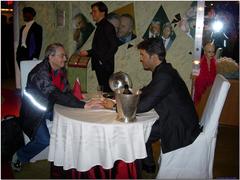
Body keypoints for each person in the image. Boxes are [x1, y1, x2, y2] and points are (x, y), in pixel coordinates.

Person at [102, 38, 202, 173]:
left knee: (138, 133)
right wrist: (121, 96)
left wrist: (115, 106)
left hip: (179, 126)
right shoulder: (164, 70)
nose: (141, 59)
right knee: (143, 131)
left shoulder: (164, 75)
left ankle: (140, 168)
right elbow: (147, 91)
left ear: (154, 57)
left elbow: (144, 106)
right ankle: (148, 166)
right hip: (175, 119)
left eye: (142, 55)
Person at [11, 43, 103, 172]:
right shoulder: (40, 73)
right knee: (44, 140)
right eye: (62, 56)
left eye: (64, 55)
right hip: (34, 113)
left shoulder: (58, 70)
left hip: (49, 107)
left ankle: (74, 156)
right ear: (51, 57)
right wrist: (83, 105)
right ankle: (19, 156)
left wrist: (80, 101)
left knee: (75, 118)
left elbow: (65, 91)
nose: (65, 59)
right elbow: (55, 94)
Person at [79, 1, 118, 93]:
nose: (92, 13)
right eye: (92, 11)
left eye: (94, 11)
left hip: (104, 65)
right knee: (104, 90)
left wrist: (103, 60)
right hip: (100, 64)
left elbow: (114, 46)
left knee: (107, 91)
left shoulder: (107, 26)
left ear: (102, 12)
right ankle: (106, 106)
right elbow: (100, 47)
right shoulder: (101, 26)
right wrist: (89, 53)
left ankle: (109, 107)